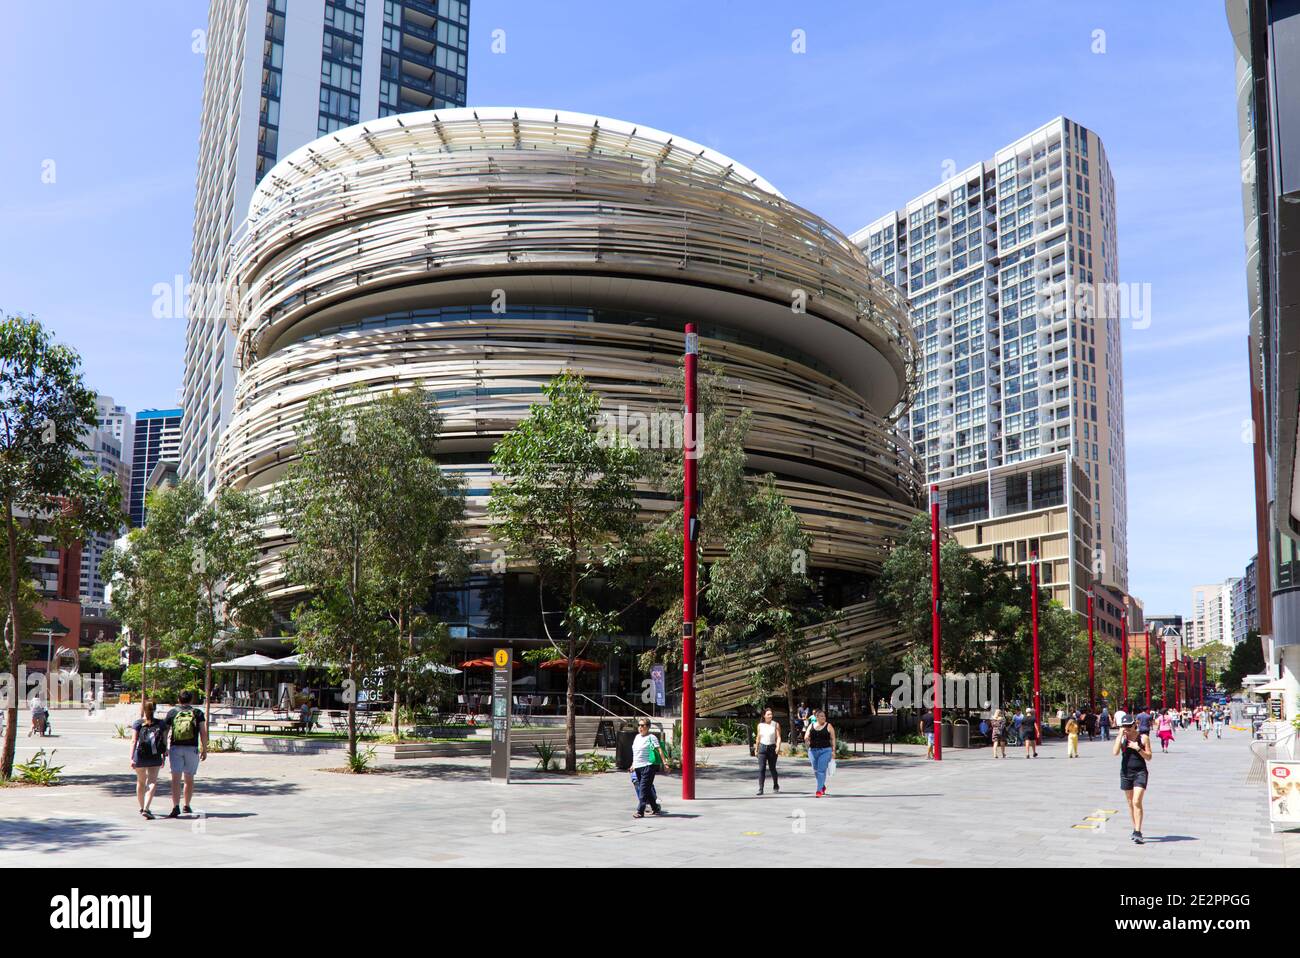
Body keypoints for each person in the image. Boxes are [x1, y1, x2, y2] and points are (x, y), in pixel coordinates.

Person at [164, 690, 208, 818]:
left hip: (175, 748)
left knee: (175, 779)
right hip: (192, 748)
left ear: (179, 700)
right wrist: (204, 748)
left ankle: (175, 806)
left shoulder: (172, 712)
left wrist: (164, 747)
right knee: (189, 779)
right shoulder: (197, 713)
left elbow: (165, 731)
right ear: (191, 700)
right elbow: (203, 732)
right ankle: (187, 805)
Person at [1113, 713, 1153, 844]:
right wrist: (1119, 735)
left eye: (1129, 726)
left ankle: (1138, 831)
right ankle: (1135, 829)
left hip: (1140, 772)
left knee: (1136, 801)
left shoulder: (1143, 738)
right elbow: (1115, 753)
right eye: (1124, 726)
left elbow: (1149, 757)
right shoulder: (1122, 737)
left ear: (1135, 724)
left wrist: (1138, 749)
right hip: (1125, 772)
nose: (1127, 728)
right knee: (1130, 803)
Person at [130, 700, 168, 820]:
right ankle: (146, 808)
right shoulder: (161, 724)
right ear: (155, 709)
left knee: (140, 782)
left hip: (140, 756)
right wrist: (163, 756)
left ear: (143, 709)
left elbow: (133, 741)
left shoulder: (138, 723)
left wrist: (131, 757)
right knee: (152, 782)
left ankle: (142, 807)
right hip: (155, 756)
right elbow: (163, 741)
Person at [630, 718, 665, 818]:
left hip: (648, 766)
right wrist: (633, 764)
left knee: (643, 789)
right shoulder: (637, 737)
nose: (640, 727)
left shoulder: (651, 737)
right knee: (647, 789)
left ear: (648, 727)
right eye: (639, 725)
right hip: (638, 766)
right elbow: (636, 753)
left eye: (643, 725)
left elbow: (659, 750)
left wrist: (665, 763)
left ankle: (640, 811)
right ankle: (655, 807)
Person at [804, 709, 836, 797]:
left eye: (824, 716)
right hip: (813, 751)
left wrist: (833, 751)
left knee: (821, 770)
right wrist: (807, 740)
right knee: (815, 770)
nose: (823, 718)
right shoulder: (811, 725)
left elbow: (833, 738)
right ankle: (822, 785)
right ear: (816, 717)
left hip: (825, 750)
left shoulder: (828, 726)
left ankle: (819, 791)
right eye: (821, 716)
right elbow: (806, 736)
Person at [755, 707, 781, 795]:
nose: (770, 716)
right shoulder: (760, 725)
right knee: (761, 769)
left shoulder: (775, 724)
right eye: (768, 714)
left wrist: (778, 747)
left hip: (772, 748)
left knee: (772, 768)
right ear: (764, 716)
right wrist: (756, 748)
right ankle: (760, 789)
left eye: (771, 714)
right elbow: (758, 737)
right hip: (762, 748)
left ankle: (775, 784)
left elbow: (778, 737)